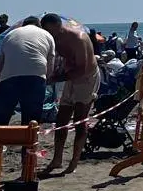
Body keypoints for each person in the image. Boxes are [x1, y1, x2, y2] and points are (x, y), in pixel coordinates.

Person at [38, 14, 100, 175]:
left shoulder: (78, 38)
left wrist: (56, 79)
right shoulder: (53, 39)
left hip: (86, 77)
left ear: (60, 27)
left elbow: (82, 69)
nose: (51, 36)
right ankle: (57, 159)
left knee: (80, 119)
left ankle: (74, 161)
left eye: (53, 32)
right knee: (61, 119)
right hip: (70, 76)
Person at [0, 15, 54, 125]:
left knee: (1, 117)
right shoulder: (47, 35)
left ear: (23, 25)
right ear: (39, 26)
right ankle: (28, 135)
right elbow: (50, 63)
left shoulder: (10, 34)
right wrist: (45, 79)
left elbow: (0, 61)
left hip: (9, 77)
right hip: (36, 77)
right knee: (31, 121)